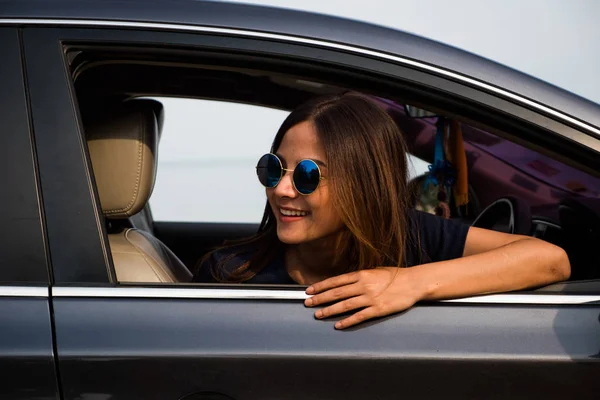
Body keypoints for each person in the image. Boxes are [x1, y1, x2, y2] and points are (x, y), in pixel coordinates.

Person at [194, 92, 570, 329]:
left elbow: (549, 259)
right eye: (273, 168)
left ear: (363, 182)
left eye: (308, 175)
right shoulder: (229, 274)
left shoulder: (414, 236)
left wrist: (409, 283)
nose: (281, 189)